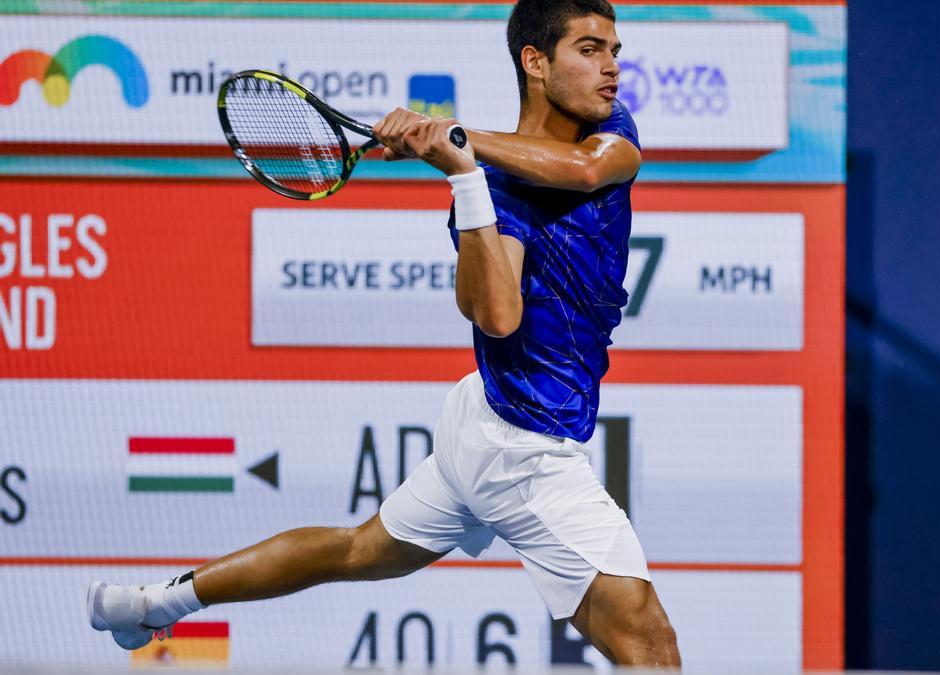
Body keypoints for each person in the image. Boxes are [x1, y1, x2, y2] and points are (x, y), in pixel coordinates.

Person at [88, 0, 680, 667]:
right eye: (591, 49)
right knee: (650, 645)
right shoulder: (493, 197)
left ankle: (148, 605)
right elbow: (496, 315)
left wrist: (454, 139)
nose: (612, 68)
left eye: (615, 51)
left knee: (359, 549)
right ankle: (156, 602)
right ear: (535, 62)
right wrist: (464, 177)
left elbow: (583, 172)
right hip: (522, 444)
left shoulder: (611, 132)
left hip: (485, 415)